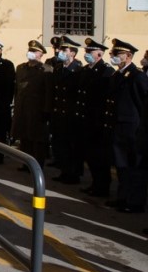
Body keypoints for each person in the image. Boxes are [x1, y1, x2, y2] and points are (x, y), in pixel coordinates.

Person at [103, 39, 148, 213]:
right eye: (113, 53)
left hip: (132, 130)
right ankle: (122, 198)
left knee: (134, 168)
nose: (112, 56)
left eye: (116, 54)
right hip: (118, 128)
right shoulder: (118, 75)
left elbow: (143, 104)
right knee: (121, 166)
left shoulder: (137, 76)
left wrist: (140, 129)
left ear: (128, 56)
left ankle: (135, 202)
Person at [78, 38, 115, 197]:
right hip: (87, 120)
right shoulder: (86, 70)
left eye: (89, 52)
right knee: (90, 156)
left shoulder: (106, 71)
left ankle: (102, 186)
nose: (86, 54)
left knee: (100, 157)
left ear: (99, 54)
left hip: (98, 121)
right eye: (86, 51)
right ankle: (95, 183)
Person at [11, 40, 54, 170]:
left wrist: (47, 111)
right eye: (30, 50)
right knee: (24, 139)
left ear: (41, 54)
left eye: (34, 51)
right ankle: (25, 164)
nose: (30, 53)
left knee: (38, 141)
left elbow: (48, 92)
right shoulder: (20, 68)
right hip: (22, 108)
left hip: (37, 110)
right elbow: (16, 89)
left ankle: (37, 167)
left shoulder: (46, 69)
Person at [51, 36, 83, 183]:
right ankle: (64, 171)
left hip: (71, 115)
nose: (60, 51)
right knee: (60, 144)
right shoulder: (58, 68)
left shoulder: (78, 70)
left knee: (72, 146)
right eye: (61, 49)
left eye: (64, 49)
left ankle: (73, 174)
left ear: (73, 53)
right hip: (59, 113)